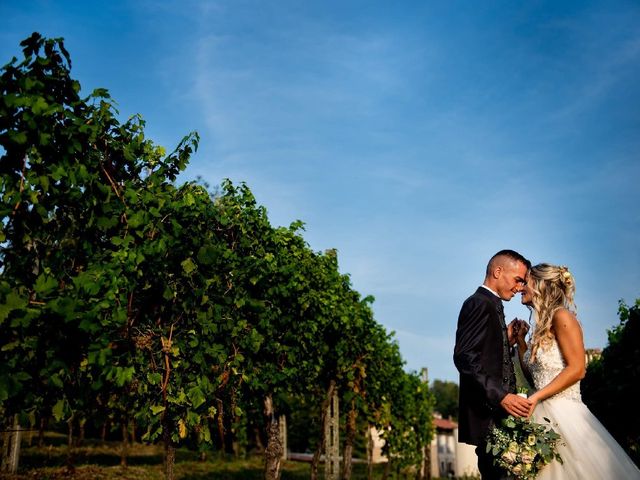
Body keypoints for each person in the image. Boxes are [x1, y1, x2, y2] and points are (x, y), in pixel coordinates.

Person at [515, 263, 640, 479]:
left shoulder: (562, 316)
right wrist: (520, 342)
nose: (521, 287)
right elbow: (534, 378)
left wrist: (536, 397)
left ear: (540, 285)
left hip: (565, 415)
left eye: (526, 281)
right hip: (539, 412)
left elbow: (578, 369)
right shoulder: (540, 327)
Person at [454, 249, 533, 479]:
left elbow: (485, 357)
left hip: (499, 422)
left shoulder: (491, 303)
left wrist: (506, 343)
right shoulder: (479, 303)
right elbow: (465, 357)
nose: (520, 287)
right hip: (489, 419)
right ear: (498, 271)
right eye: (518, 280)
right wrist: (501, 396)